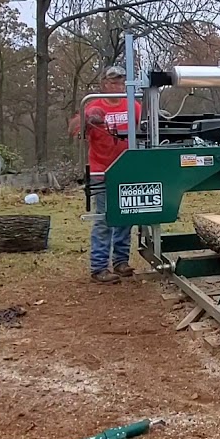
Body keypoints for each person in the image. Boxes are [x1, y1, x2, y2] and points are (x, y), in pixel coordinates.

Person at [74, 66, 142, 284]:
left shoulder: (134, 106)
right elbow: (73, 130)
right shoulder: (93, 105)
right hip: (101, 169)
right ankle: (98, 267)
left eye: (121, 82)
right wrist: (87, 119)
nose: (117, 86)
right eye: (112, 82)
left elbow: (146, 129)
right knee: (104, 218)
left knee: (125, 215)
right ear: (104, 84)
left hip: (127, 168)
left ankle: (121, 262)